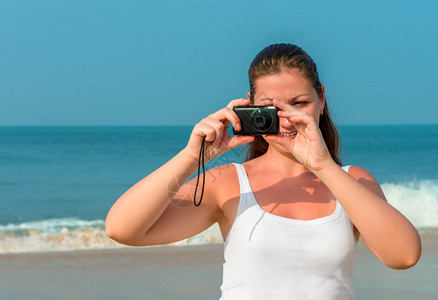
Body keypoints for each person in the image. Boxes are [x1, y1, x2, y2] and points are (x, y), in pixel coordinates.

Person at [105, 43, 421, 299]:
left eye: (300, 103)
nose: (287, 118)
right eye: (272, 107)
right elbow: (122, 229)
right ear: (251, 107)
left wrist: (323, 166)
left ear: (321, 98)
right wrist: (193, 156)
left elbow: (403, 256)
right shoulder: (228, 182)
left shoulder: (352, 180)